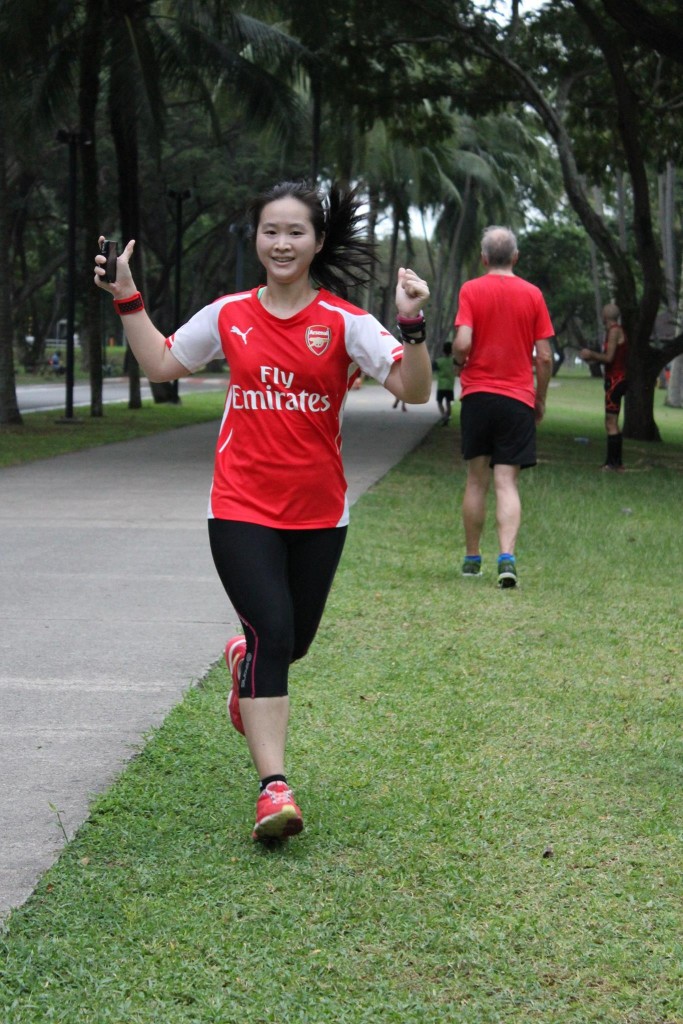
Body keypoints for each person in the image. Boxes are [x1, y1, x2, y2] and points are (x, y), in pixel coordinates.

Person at [94, 180, 432, 841]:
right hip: (240, 505)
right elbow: (163, 361)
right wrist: (125, 297)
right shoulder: (229, 314)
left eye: (295, 232)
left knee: (290, 643)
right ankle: (273, 790)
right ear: (257, 238)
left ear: (317, 242)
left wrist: (412, 325)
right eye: (270, 230)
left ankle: (240, 663)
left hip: (318, 513)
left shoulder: (344, 322)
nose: (281, 242)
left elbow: (412, 389)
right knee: (273, 631)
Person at [453, 226, 554, 588]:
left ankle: (471, 558)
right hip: (516, 400)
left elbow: (463, 342)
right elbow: (543, 356)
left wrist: (458, 358)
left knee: (476, 479)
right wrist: (538, 398)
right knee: (506, 482)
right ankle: (506, 557)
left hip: (478, 396)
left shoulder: (471, 290)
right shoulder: (533, 295)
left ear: (483, 258)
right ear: (515, 257)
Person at [579, 303, 628, 472]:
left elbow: (609, 357)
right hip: (615, 379)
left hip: (616, 380)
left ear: (604, 316)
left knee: (611, 422)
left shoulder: (614, 331)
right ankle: (614, 462)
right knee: (611, 421)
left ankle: (613, 464)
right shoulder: (614, 331)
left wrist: (591, 354)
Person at [434, 341, 456, 425]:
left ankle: (443, 415)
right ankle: (447, 415)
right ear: (451, 351)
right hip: (450, 386)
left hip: (441, 386)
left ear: (443, 350)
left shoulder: (438, 361)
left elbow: (433, 369)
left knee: (439, 402)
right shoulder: (453, 361)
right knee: (448, 402)